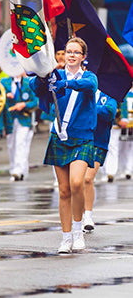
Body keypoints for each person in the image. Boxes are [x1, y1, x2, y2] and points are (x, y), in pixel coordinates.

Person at [30, 37, 97, 254]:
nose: (71, 55)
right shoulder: (55, 74)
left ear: (83, 57)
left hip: (81, 137)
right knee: (64, 191)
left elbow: (89, 86)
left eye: (76, 52)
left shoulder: (88, 77)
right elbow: (34, 87)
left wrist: (65, 83)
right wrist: (43, 78)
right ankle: (66, 237)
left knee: (77, 183)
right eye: (69, 51)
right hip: (58, 136)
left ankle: (78, 232)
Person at [83, 90, 117, 232]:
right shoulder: (82, 89)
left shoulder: (110, 93)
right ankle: (79, 216)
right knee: (76, 182)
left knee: (87, 179)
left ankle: (88, 216)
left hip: (99, 142)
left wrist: (88, 108)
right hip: (80, 139)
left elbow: (109, 112)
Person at [1, 73, 37, 181]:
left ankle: (18, 170)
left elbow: (36, 101)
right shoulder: (4, 82)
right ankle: (16, 169)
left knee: (21, 143)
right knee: (11, 144)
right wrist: (6, 96)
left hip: (24, 119)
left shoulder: (28, 82)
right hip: (9, 119)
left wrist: (24, 105)